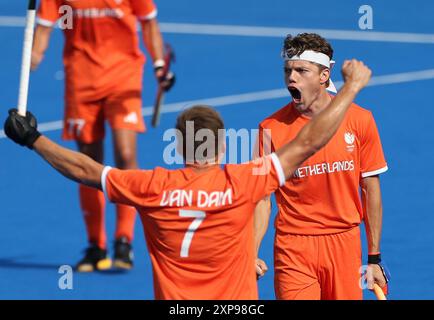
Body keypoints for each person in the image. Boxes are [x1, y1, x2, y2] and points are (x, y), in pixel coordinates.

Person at [4, 60, 371, 299]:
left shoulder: (151, 187)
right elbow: (309, 141)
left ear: (179, 146)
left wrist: (34, 140)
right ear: (223, 145)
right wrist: (351, 88)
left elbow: (85, 170)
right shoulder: (245, 181)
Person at [31, 0, 175, 272]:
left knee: (126, 154)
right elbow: (43, 29)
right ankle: (95, 245)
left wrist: (158, 63)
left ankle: (124, 239)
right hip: (80, 78)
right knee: (86, 160)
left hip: (124, 76)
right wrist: (34, 56)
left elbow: (149, 22)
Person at [254, 33, 389, 300]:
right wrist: (251, 252)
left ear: (324, 76)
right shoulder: (270, 129)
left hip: (345, 245)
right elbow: (262, 199)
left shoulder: (361, 120)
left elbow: (370, 189)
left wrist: (374, 257)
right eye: (288, 70)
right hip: (293, 246)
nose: (292, 78)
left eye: (302, 71)